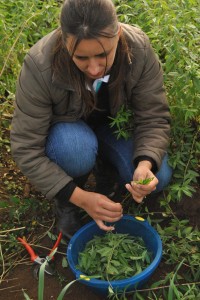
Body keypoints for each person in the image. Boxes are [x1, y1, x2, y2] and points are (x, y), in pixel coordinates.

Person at [10, 0, 172, 239]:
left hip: (111, 128)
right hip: (67, 134)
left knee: (161, 176)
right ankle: (68, 203)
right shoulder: (39, 64)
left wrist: (145, 163)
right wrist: (80, 197)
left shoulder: (138, 48)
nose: (95, 68)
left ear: (117, 34)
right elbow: (25, 148)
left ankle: (107, 172)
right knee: (75, 149)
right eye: (81, 58)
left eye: (103, 54)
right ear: (65, 43)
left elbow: (154, 116)